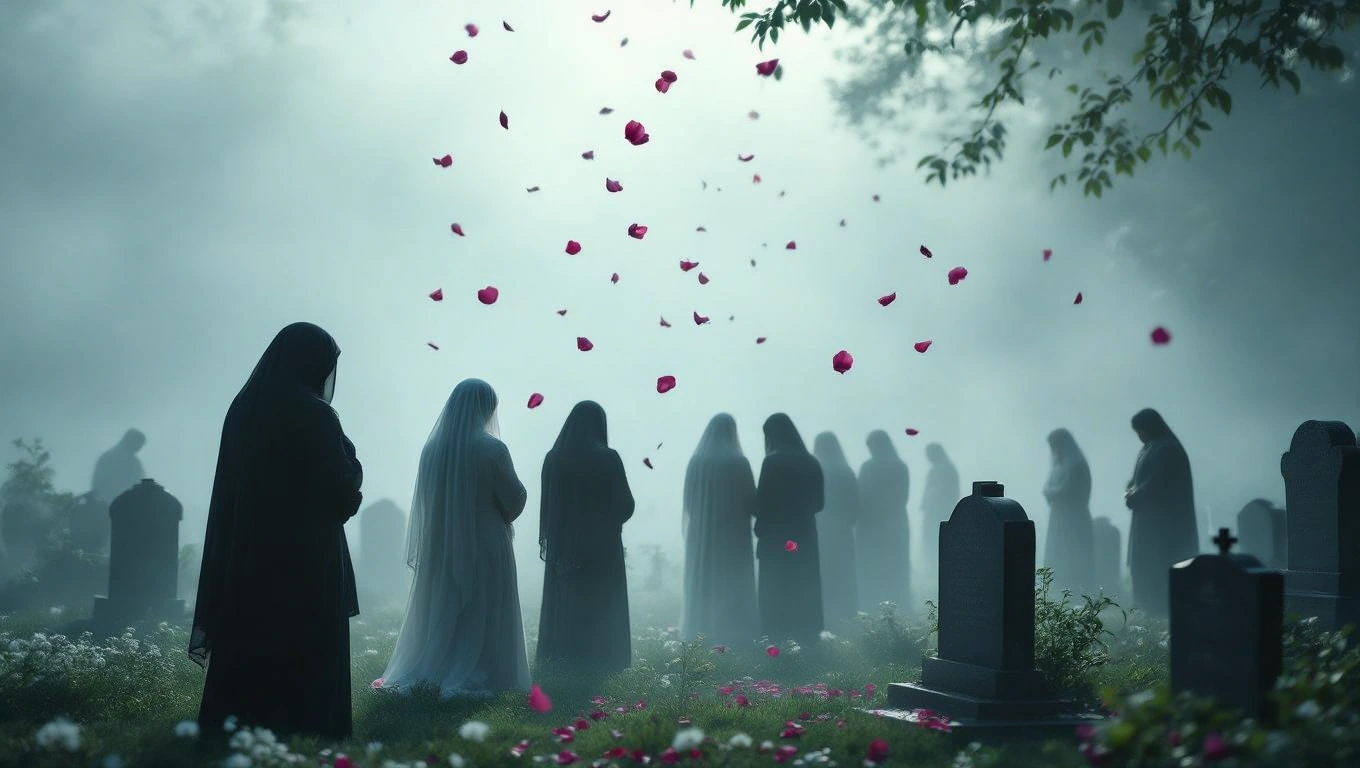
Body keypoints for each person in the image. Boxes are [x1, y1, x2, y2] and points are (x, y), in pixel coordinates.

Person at [190, 322, 363, 740]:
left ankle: (240, 726)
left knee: (253, 634)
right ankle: (306, 729)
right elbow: (340, 487)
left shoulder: (245, 407)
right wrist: (353, 467)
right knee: (306, 640)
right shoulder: (316, 414)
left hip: (248, 550)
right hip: (308, 554)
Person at [380, 378, 531, 697]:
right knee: (484, 605)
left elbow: (426, 502)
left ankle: (438, 666)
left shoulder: (431, 450)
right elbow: (513, 501)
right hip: (486, 539)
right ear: (485, 408)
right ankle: (482, 670)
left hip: (441, 543)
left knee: (445, 606)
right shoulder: (492, 448)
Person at [536, 400, 635, 676]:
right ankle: (604, 658)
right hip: (602, 546)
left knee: (567, 599)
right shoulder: (608, 458)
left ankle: (563, 658)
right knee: (602, 600)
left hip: (565, 546)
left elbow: (547, 508)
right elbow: (625, 505)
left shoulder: (553, 459)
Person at [680, 414, 758, 645]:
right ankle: (734, 629)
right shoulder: (738, 462)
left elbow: (689, 503)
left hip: (701, 534)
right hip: (733, 534)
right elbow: (752, 502)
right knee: (731, 578)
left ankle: (702, 629)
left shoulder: (697, 462)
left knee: (705, 576)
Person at [754, 413, 824, 643]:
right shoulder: (811, 461)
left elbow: (761, 503)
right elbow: (820, 503)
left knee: (776, 587)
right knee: (803, 582)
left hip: (776, 537)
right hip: (803, 534)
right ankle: (807, 635)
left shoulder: (772, 461)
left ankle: (776, 636)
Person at [1124, 408, 1198, 617]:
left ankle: (1159, 611)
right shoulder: (1149, 447)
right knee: (1144, 565)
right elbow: (1137, 478)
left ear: (1150, 428)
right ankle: (1147, 609)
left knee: (1158, 564)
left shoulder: (1167, 448)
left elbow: (1157, 484)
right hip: (1146, 520)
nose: (1140, 435)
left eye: (1141, 430)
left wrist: (1136, 495)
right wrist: (1129, 490)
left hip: (1163, 524)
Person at [855, 430, 911, 616]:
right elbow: (902, 498)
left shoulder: (869, 467)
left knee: (874, 571)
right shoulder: (901, 466)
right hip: (896, 525)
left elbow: (861, 497)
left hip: (873, 527)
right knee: (896, 570)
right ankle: (901, 610)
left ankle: (874, 610)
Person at [811, 432, 860, 626]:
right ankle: (847, 617)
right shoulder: (845, 471)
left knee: (825, 573)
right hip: (842, 530)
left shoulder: (816, 470)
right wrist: (846, 522)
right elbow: (855, 505)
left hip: (821, 529)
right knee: (844, 573)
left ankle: (827, 617)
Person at [1042, 428, 1095, 597]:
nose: (1053, 451)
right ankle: (1058, 592)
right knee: (1058, 555)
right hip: (1059, 518)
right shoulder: (1060, 463)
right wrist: (1050, 493)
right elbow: (1048, 487)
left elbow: (1068, 491)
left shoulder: (1076, 464)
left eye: (1055, 446)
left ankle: (1076, 595)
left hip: (1073, 519)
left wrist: (1052, 493)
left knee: (1072, 557)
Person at [920, 443, 960, 581]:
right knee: (931, 543)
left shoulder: (945, 468)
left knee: (935, 543)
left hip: (939, 513)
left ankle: (934, 575)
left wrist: (928, 502)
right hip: (934, 512)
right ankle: (931, 573)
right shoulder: (940, 467)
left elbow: (945, 492)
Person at [90, 429, 146, 506]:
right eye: (139, 444)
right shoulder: (110, 458)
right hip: (110, 503)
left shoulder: (133, 462)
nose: (140, 448)